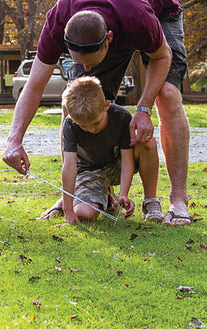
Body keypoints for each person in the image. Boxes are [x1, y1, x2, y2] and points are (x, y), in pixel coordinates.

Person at [2, 0, 193, 226]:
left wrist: (143, 108)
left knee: (168, 94)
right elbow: (34, 87)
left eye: (91, 63)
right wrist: (14, 139)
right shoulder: (57, 21)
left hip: (157, 10)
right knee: (75, 99)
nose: (87, 69)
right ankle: (79, 191)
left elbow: (162, 56)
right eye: (80, 62)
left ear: (109, 41)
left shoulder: (136, 18)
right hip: (107, 14)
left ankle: (178, 198)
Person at [58, 76, 160, 225]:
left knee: (148, 143)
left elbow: (127, 160)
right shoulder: (70, 125)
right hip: (90, 171)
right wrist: (68, 210)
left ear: (106, 106)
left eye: (96, 123)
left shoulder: (121, 117)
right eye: (84, 126)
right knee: (83, 214)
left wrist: (123, 195)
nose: (91, 129)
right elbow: (69, 167)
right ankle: (106, 197)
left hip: (117, 165)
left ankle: (150, 202)